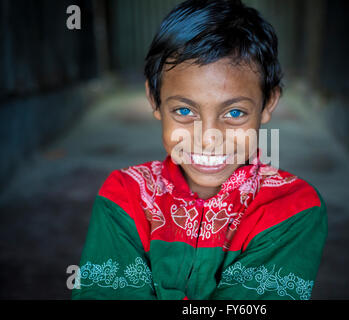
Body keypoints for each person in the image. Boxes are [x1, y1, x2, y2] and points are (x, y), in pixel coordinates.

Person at [72, 0, 327, 300]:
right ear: (154, 100)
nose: (208, 139)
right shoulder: (124, 197)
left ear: (268, 102)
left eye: (234, 113)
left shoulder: (292, 209)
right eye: (183, 110)